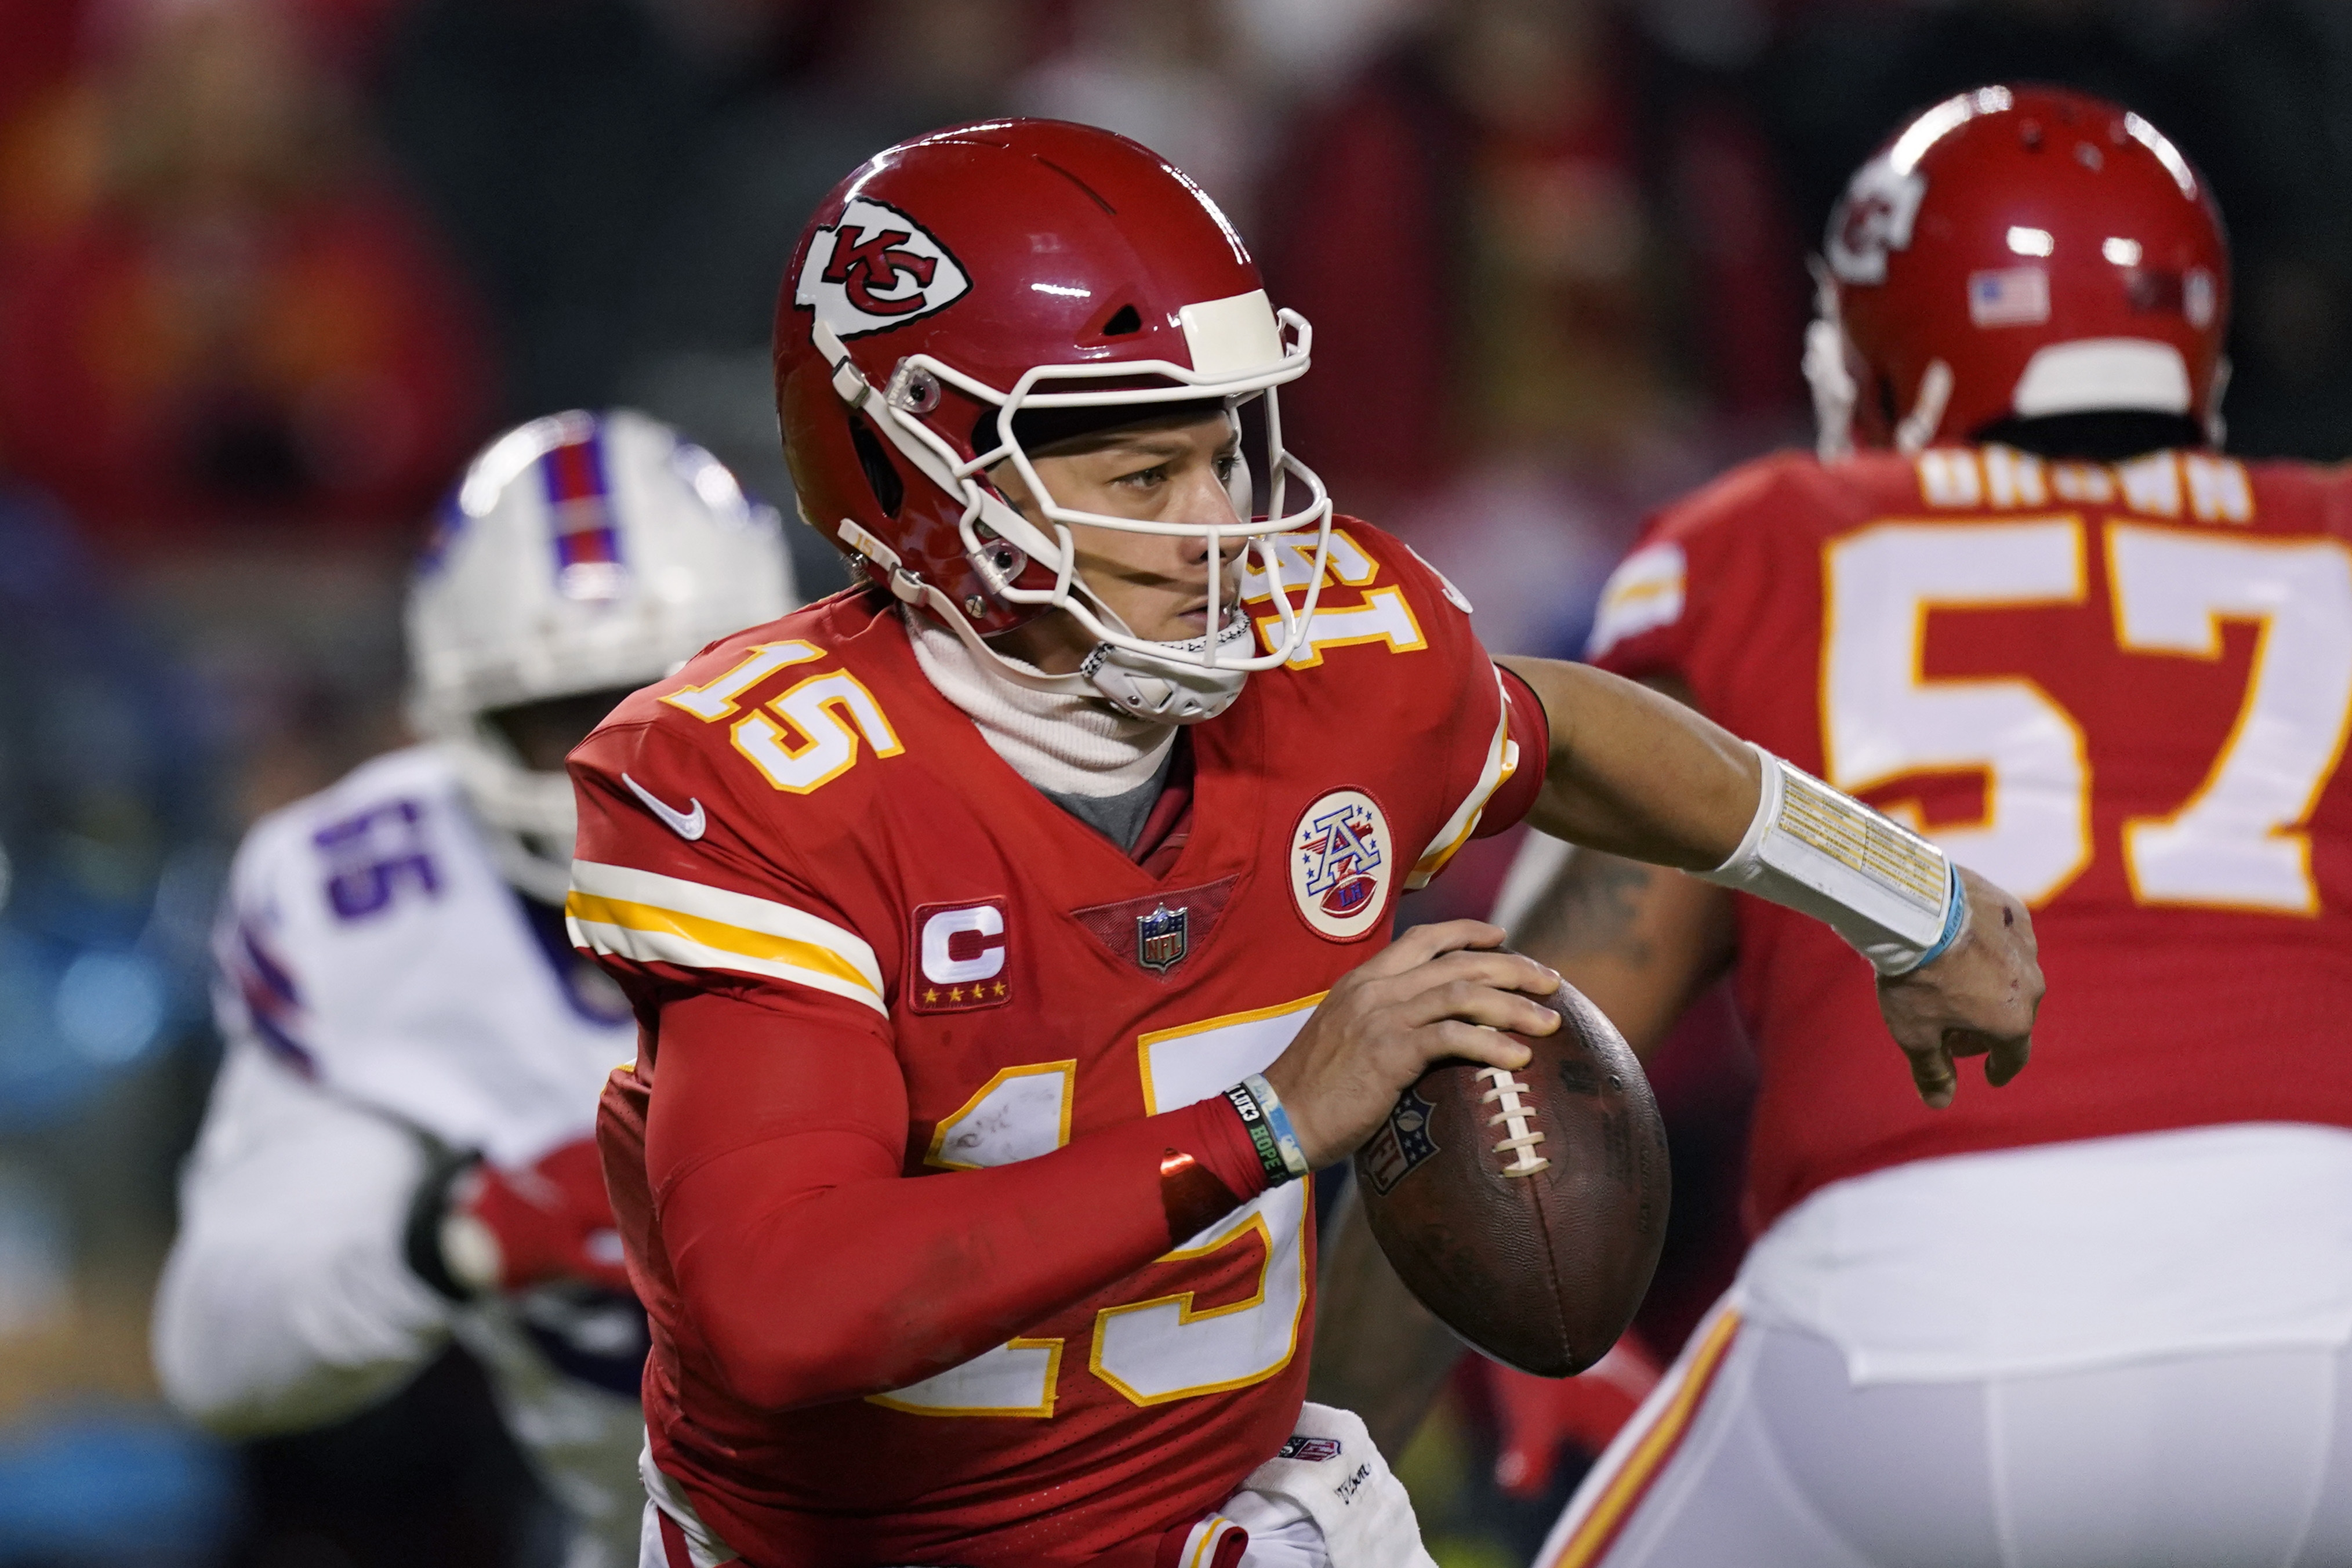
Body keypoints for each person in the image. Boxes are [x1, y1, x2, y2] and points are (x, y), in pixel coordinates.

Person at [565, 119, 2039, 1568]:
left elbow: (1567, 730)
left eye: (1229, 455)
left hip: (1236, 1512)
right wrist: (1268, 1120)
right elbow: (784, 1304)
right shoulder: (773, 781)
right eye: (1147, 482)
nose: (1229, 536)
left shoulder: (1331, 668)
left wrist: (1906, 899)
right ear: (917, 482)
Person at [1320, 84, 2352, 1568]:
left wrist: (1312, 1463)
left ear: (1883, 349)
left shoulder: (1769, 540)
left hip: (1915, 1319)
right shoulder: (2325, 532)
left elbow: (1507, 1070)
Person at [153, 410, 798, 1568]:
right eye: (555, 717)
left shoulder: (927, 830)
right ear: (450, 716)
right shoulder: (372, 906)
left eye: (663, 696)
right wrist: (466, 1234)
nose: (613, 760)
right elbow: (219, 1351)